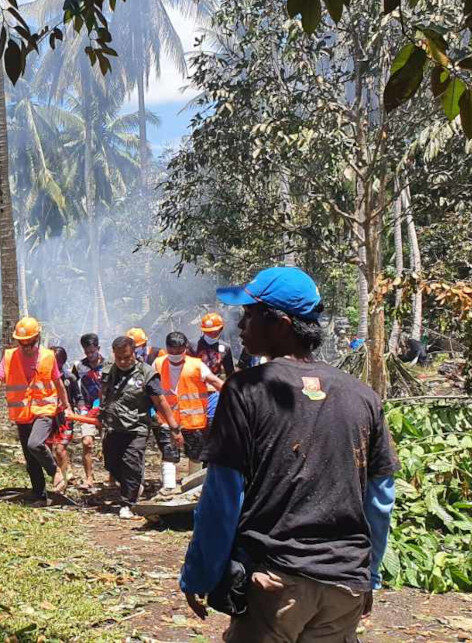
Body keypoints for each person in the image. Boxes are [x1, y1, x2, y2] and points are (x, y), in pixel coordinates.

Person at [180, 267, 398, 642]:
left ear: (280, 324)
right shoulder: (362, 396)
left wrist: (201, 573)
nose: (241, 326)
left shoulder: (246, 391)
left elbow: (222, 497)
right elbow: (380, 500)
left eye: (249, 315)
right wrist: (368, 577)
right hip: (344, 587)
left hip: (276, 584)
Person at [0, 317, 73, 506]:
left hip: (44, 410)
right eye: (22, 344)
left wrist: (66, 406)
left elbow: (58, 384)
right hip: (23, 414)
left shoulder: (48, 357)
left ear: (37, 339)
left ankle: (55, 471)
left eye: (30, 344)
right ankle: (39, 495)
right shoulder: (9, 357)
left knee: (34, 444)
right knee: (30, 458)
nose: (26, 348)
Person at [98, 335, 180, 519]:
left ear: (134, 352)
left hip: (137, 428)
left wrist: (173, 426)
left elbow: (160, 401)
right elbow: (103, 392)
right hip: (113, 426)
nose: (123, 362)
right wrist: (99, 412)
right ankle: (134, 485)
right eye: (119, 357)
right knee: (110, 463)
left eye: (127, 357)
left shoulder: (146, 373)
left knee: (131, 463)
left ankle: (128, 502)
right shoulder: (109, 370)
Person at [154, 332, 224, 491]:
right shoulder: (158, 364)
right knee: (169, 453)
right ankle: (169, 488)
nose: (176, 355)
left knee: (196, 455)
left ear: (186, 348)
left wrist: (234, 395)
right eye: (172, 351)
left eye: (180, 351)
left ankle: (193, 486)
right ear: (167, 349)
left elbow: (215, 381)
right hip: (167, 418)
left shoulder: (197, 365)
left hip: (193, 421)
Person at [69, 333, 105, 489]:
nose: (90, 355)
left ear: (98, 348)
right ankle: (89, 478)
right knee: (87, 442)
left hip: (106, 410)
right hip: (87, 410)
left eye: (93, 351)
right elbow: (71, 384)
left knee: (109, 444)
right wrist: (80, 405)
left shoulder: (109, 365)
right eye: (87, 352)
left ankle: (112, 477)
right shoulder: (79, 366)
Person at [44, 346, 77, 492]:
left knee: (60, 449)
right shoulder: (42, 376)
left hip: (64, 418)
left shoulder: (69, 378)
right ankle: (56, 476)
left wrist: (80, 409)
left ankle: (63, 479)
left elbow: (78, 397)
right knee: (47, 448)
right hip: (47, 416)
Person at [193, 312, 235, 379]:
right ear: (203, 331)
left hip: (216, 385)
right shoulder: (193, 345)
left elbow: (230, 372)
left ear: (220, 329)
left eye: (214, 331)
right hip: (197, 385)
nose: (211, 334)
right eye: (208, 332)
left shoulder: (225, 347)